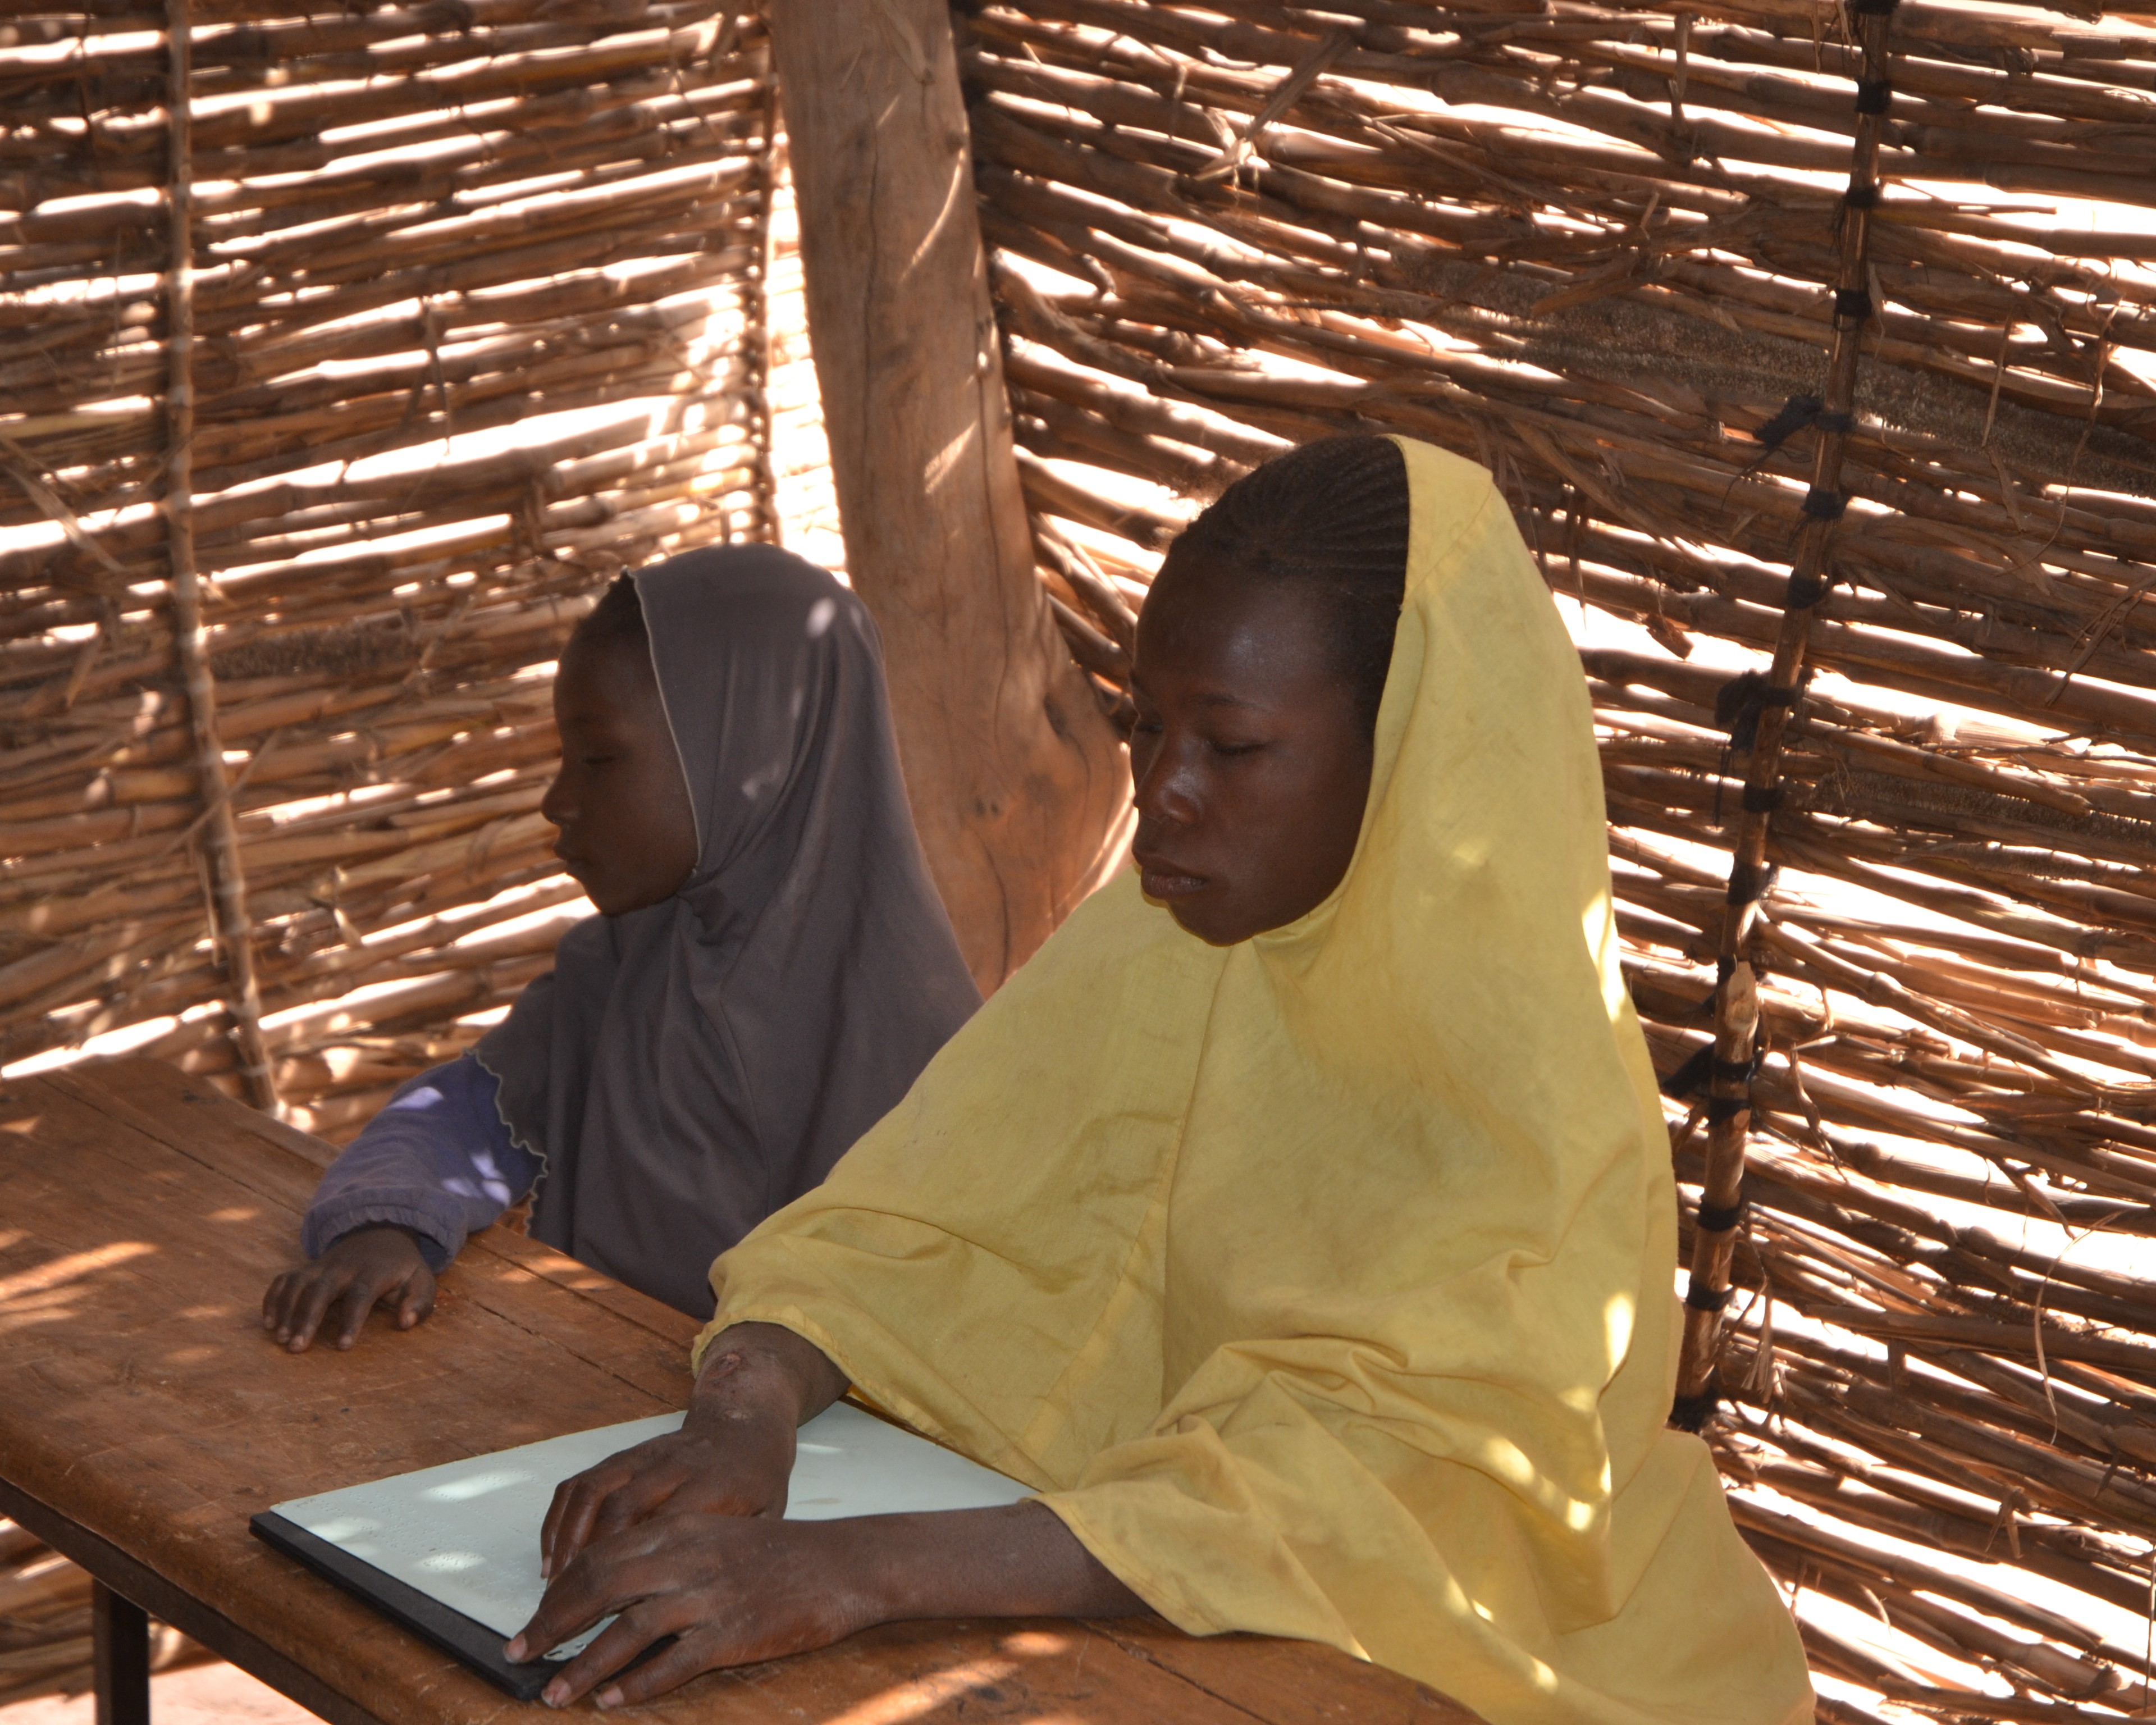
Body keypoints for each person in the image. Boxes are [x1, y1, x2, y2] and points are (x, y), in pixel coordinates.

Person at [504, 438, 1814, 1725]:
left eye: (1234, 748)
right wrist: (751, 1414)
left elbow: (1348, 1508)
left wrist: (850, 1572)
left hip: (1518, 1680)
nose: (1165, 791)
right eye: (1147, 724)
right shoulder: (1164, 947)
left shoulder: (1523, 1097)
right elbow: (908, 1228)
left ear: (1408, 749)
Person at [261, 545, 981, 1348]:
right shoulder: (622, 971)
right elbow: (455, 1121)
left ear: (746, 757)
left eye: (599, 760)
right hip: (586, 1393)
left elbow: (907, 1335)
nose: (556, 802)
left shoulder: (923, 1053)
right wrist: (387, 1227)